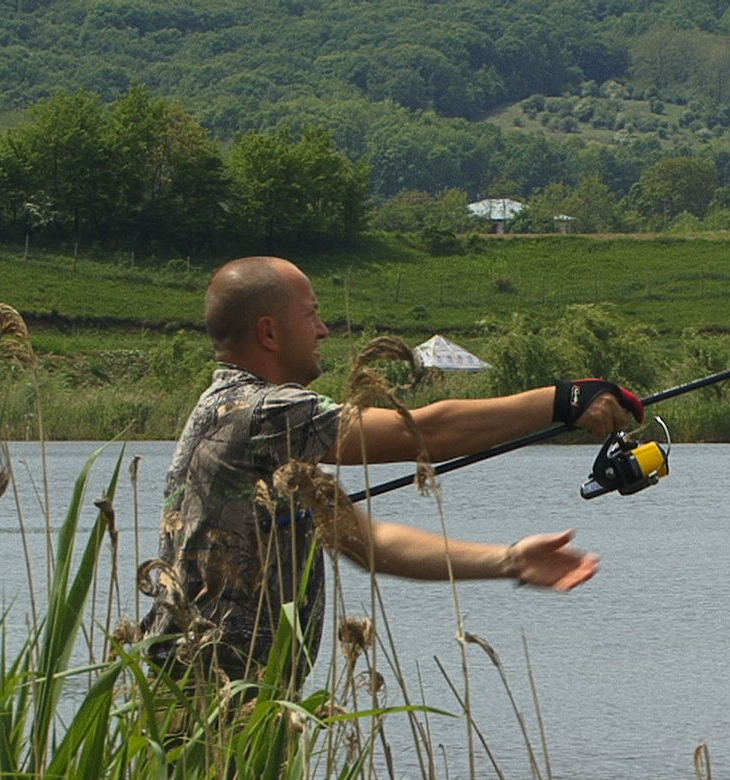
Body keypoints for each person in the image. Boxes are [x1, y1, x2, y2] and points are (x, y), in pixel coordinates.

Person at [138, 256, 642, 681]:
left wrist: (510, 561)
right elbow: (424, 434)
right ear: (269, 332)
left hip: (237, 697)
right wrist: (563, 400)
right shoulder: (259, 411)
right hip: (203, 689)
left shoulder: (272, 439)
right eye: (311, 314)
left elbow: (370, 542)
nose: (323, 329)